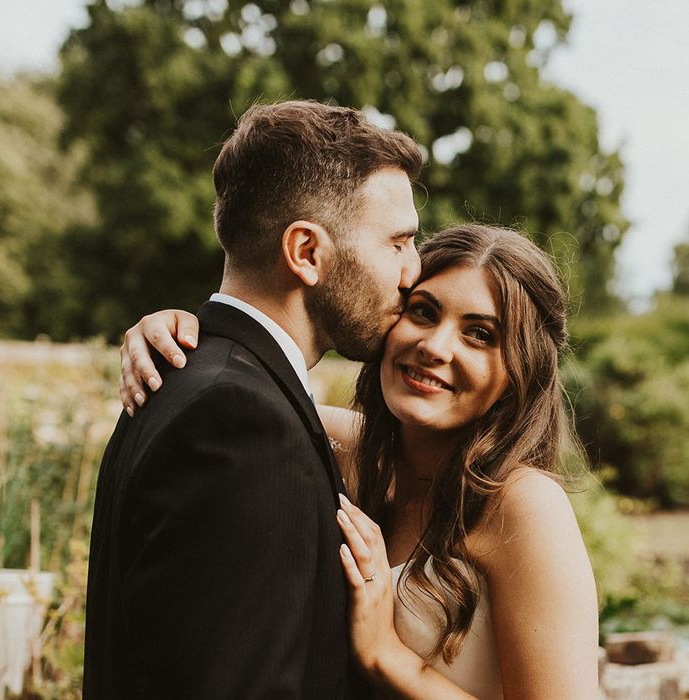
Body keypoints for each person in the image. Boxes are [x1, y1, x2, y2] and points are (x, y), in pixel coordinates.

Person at [120, 224, 600, 699]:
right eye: (422, 312)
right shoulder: (349, 449)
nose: (434, 346)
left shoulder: (522, 504)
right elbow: (242, 391)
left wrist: (385, 653)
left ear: (521, 369)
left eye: (479, 334)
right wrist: (180, 332)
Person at [83, 99, 423, 699]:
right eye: (397, 243)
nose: (412, 271)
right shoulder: (241, 424)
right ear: (307, 253)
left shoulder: (204, 384)